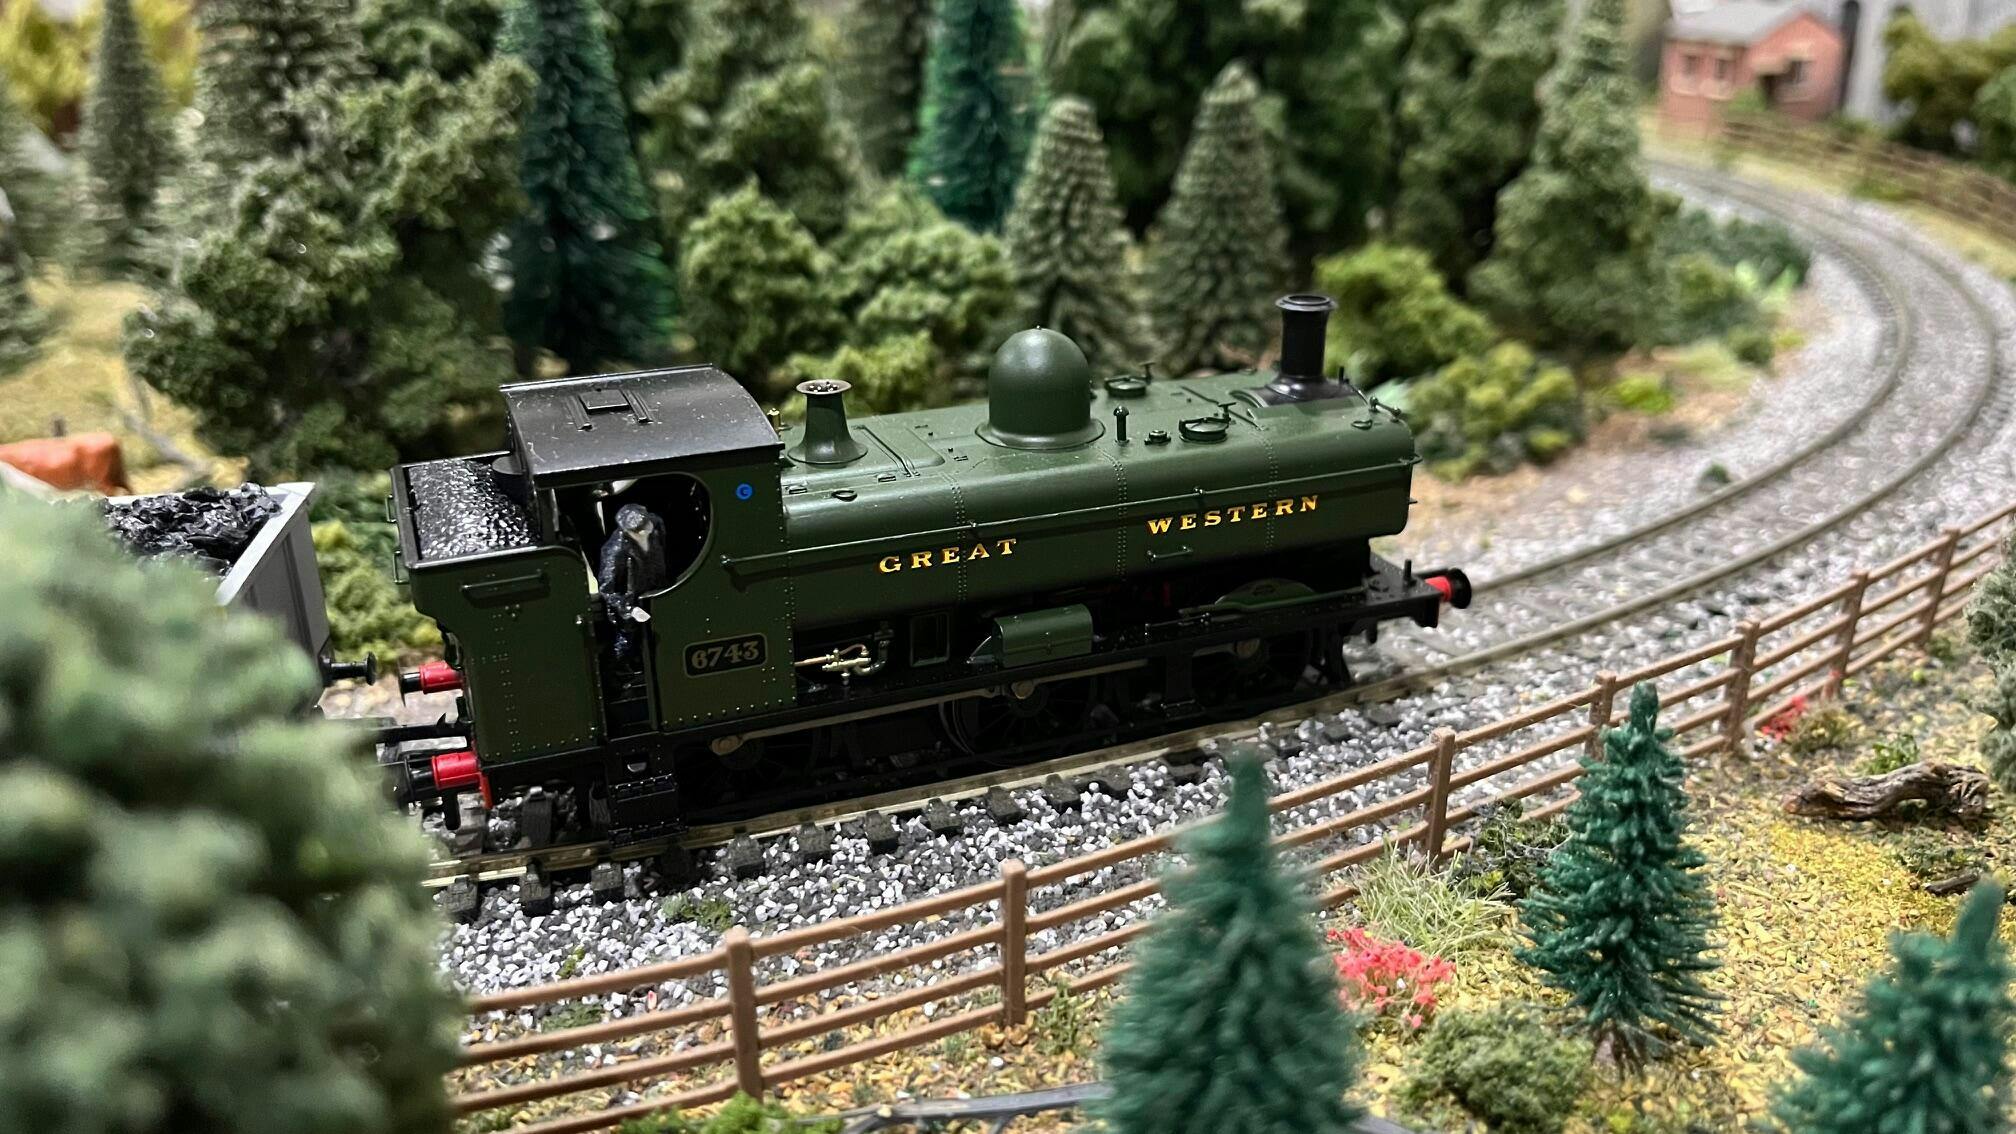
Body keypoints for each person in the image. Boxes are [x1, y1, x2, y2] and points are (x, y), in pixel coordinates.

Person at [598, 503, 668, 662]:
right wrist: (629, 609)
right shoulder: (614, 551)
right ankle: (620, 666)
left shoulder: (656, 526)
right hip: (630, 602)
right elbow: (607, 589)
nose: (645, 530)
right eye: (638, 530)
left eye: (646, 524)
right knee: (626, 642)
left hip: (656, 591)